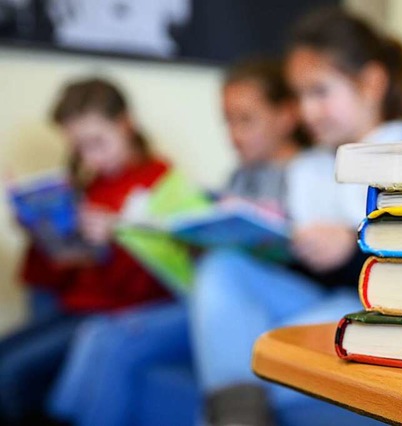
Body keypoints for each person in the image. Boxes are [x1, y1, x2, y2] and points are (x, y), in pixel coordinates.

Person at [191, 7, 402, 426]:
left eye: (320, 92)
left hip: (381, 308)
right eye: (299, 96)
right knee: (223, 267)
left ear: (372, 83)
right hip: (325, 296)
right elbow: (308, 269)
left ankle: (234, 407)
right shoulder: (308, 167)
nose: (307, 111)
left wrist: (350, 246)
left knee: (253, 357)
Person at [46, 58, 309, 426]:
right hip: (211, 291)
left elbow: (307, 253)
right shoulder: (238, 177)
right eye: (228, 122)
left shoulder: (308, 174)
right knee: (99, 333)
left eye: (245, 120)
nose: (233, 134)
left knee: (112, 335)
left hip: (262, 293)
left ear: (286, 116)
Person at [0, 78, 172, 425]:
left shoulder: (160, 183)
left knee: (10, 375)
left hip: (115, 314)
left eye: (98, 143)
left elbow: (158, 284)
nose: (90, 156)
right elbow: (61, 275)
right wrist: (40, 231)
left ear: (126, 123)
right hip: (75, 307)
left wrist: (120, 237)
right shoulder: (89, 184)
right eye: (80, 148)